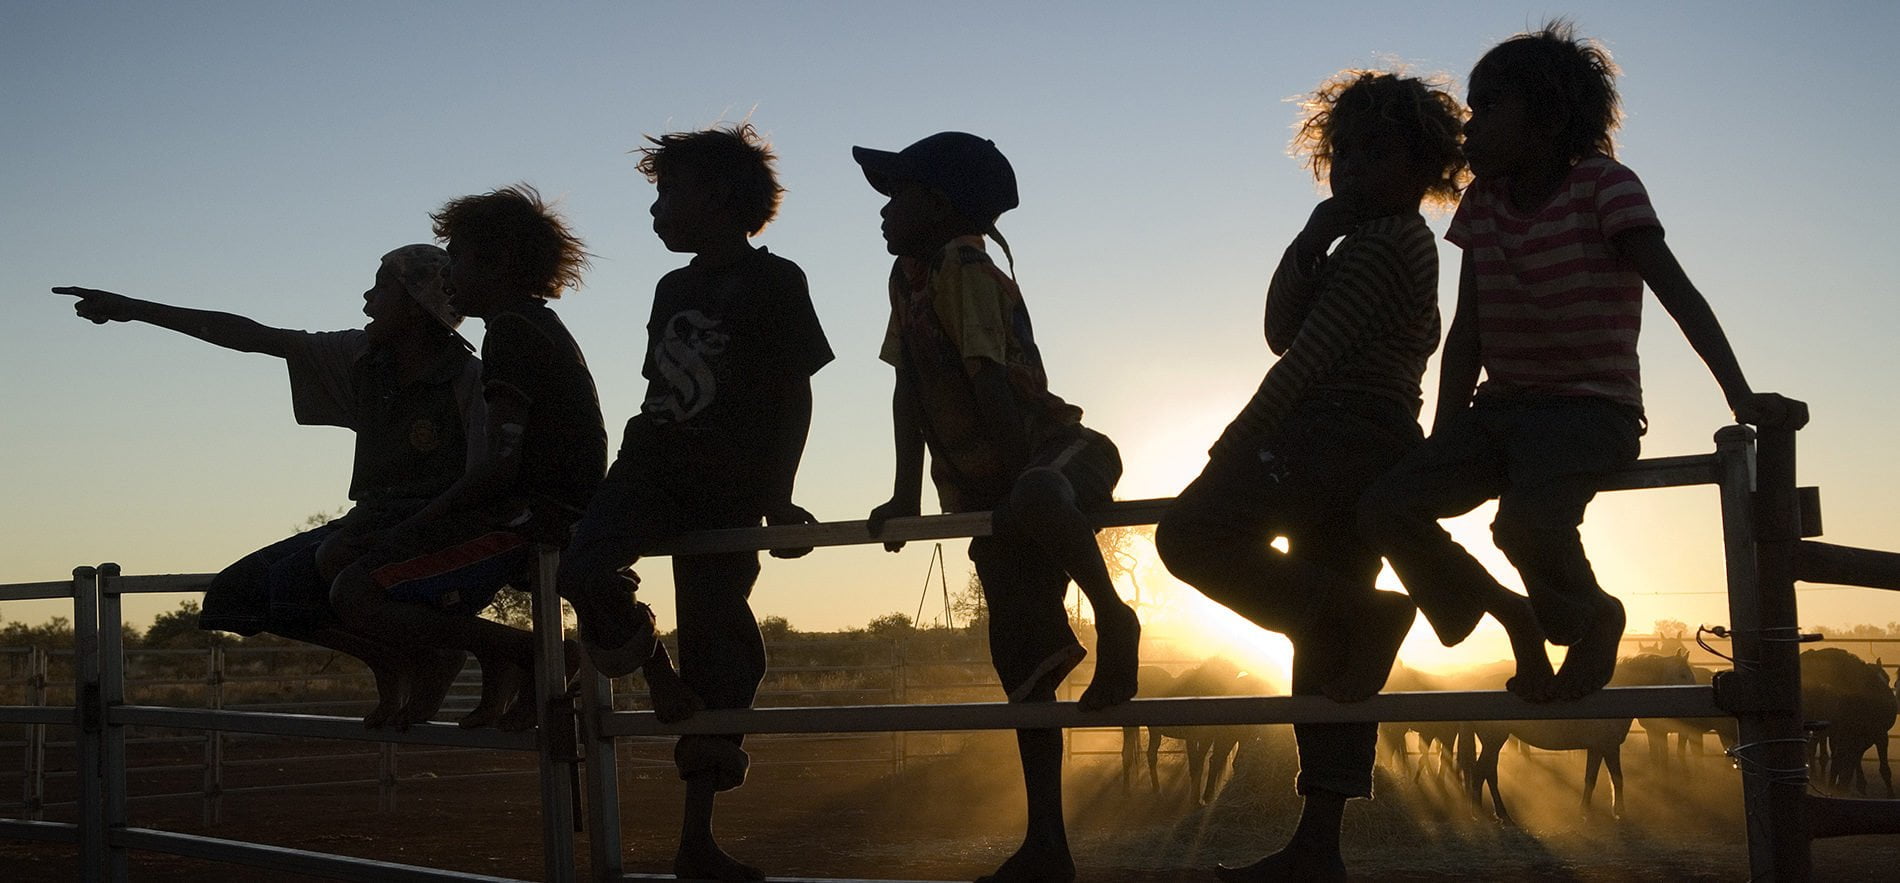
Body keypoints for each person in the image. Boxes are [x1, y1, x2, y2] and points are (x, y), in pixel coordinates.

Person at [1357, 22, 1800, 703]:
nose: (1471, 128)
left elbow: (1678, 292)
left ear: (1548, 117)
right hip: (1498, 412)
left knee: (1524, 527)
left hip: (1590, 410)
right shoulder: (1484, 203)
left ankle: (1592, 615)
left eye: (1488, 108)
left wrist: (1739, 395)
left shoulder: (1604, 187)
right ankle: (1510, 612)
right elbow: (1469, 330)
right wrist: (1445, 432)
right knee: (1387, 505)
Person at [1155, 70, 1468, 883]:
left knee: (1189, 534)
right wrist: (1310, 237)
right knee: (1325, 640)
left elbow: (1302, 357)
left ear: (1424, 165)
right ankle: (1317, 844)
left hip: (1336, 432)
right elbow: (1280, 326)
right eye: (1343, 153)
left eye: (1376, 152)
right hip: (1365, 444)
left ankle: (1366, 616)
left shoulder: (1388, 243)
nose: (1353, 167)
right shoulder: (1369, 242)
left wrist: (1235, 440)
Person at [856, 131, 1138, 883]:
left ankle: (1114, 617)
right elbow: (909, 386)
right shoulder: (908, 277)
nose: (883, 210)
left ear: (938, 204)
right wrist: (907, 495)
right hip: (999, 494)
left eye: (897, 194)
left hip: (1057, 453)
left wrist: (1013, 490)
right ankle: (1047, 845)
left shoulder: (963, 267)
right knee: (1024, 668)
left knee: (1040, 496)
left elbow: (988, 382)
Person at [557, 123, 833, 882]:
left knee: (721, 643)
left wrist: (779, 495)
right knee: (581, 568)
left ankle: (696, 840)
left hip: (727, 482)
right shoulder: (671, 288)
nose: (656, 210)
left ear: (716, 197)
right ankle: (656, 673)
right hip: (649, 465)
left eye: (668, 192)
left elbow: (794, 393)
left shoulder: (778, 282)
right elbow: (660, 387)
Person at [52, 245, 481, 729]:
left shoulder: (468, 380)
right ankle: (394, 660)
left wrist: (418, 529)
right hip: (370, 518)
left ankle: (443, 656)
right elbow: (251, 335)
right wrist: (133, 309)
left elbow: (484, 477)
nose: (367, 298)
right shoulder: (360, 356)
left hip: (432, 526)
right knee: (235, 595)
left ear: (416, 304)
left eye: (381, 287)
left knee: (332, 565)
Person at [329, 186, 607, 730]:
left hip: (536, 514)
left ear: (496, 262)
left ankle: (531, 653)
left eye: (455, 258)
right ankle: (511, 657)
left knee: (356, 589)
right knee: (358, 567)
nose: (447, 275)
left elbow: (500, 464)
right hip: (546, 507)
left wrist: (413, 525)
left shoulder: (511, 332)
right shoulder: (530, 325)